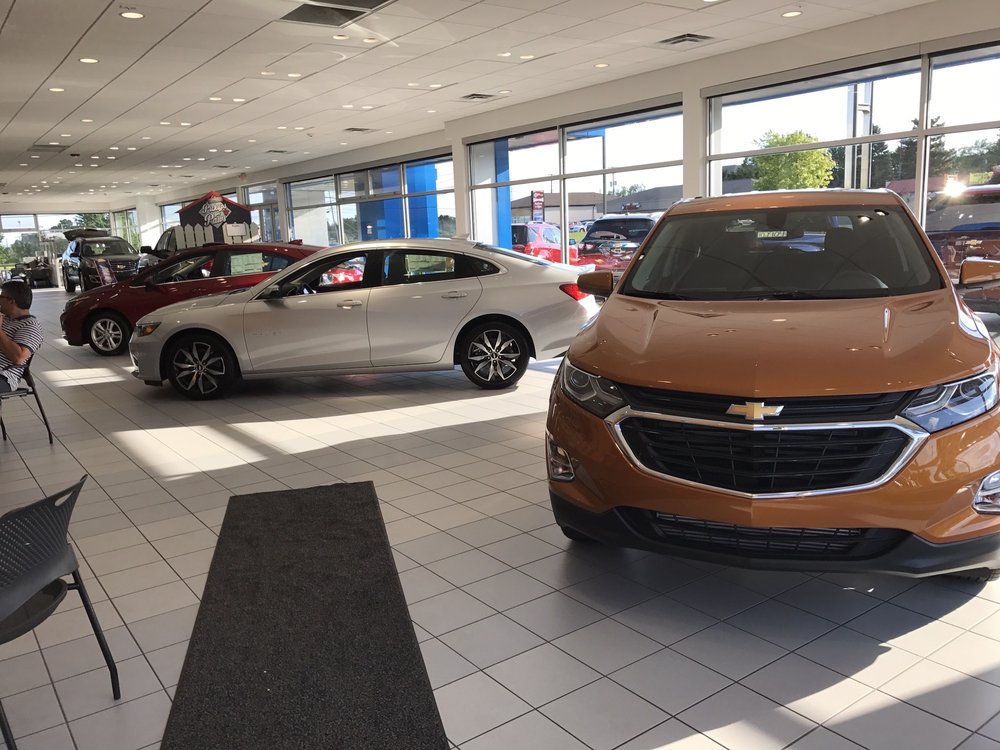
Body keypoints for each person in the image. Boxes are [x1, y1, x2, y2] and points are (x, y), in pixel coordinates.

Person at [0, 280, 43, 394]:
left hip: (4, 376)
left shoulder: (30, 326)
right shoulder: (5, 318)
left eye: (1, 297)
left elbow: (18, 357)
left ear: (11, 301)